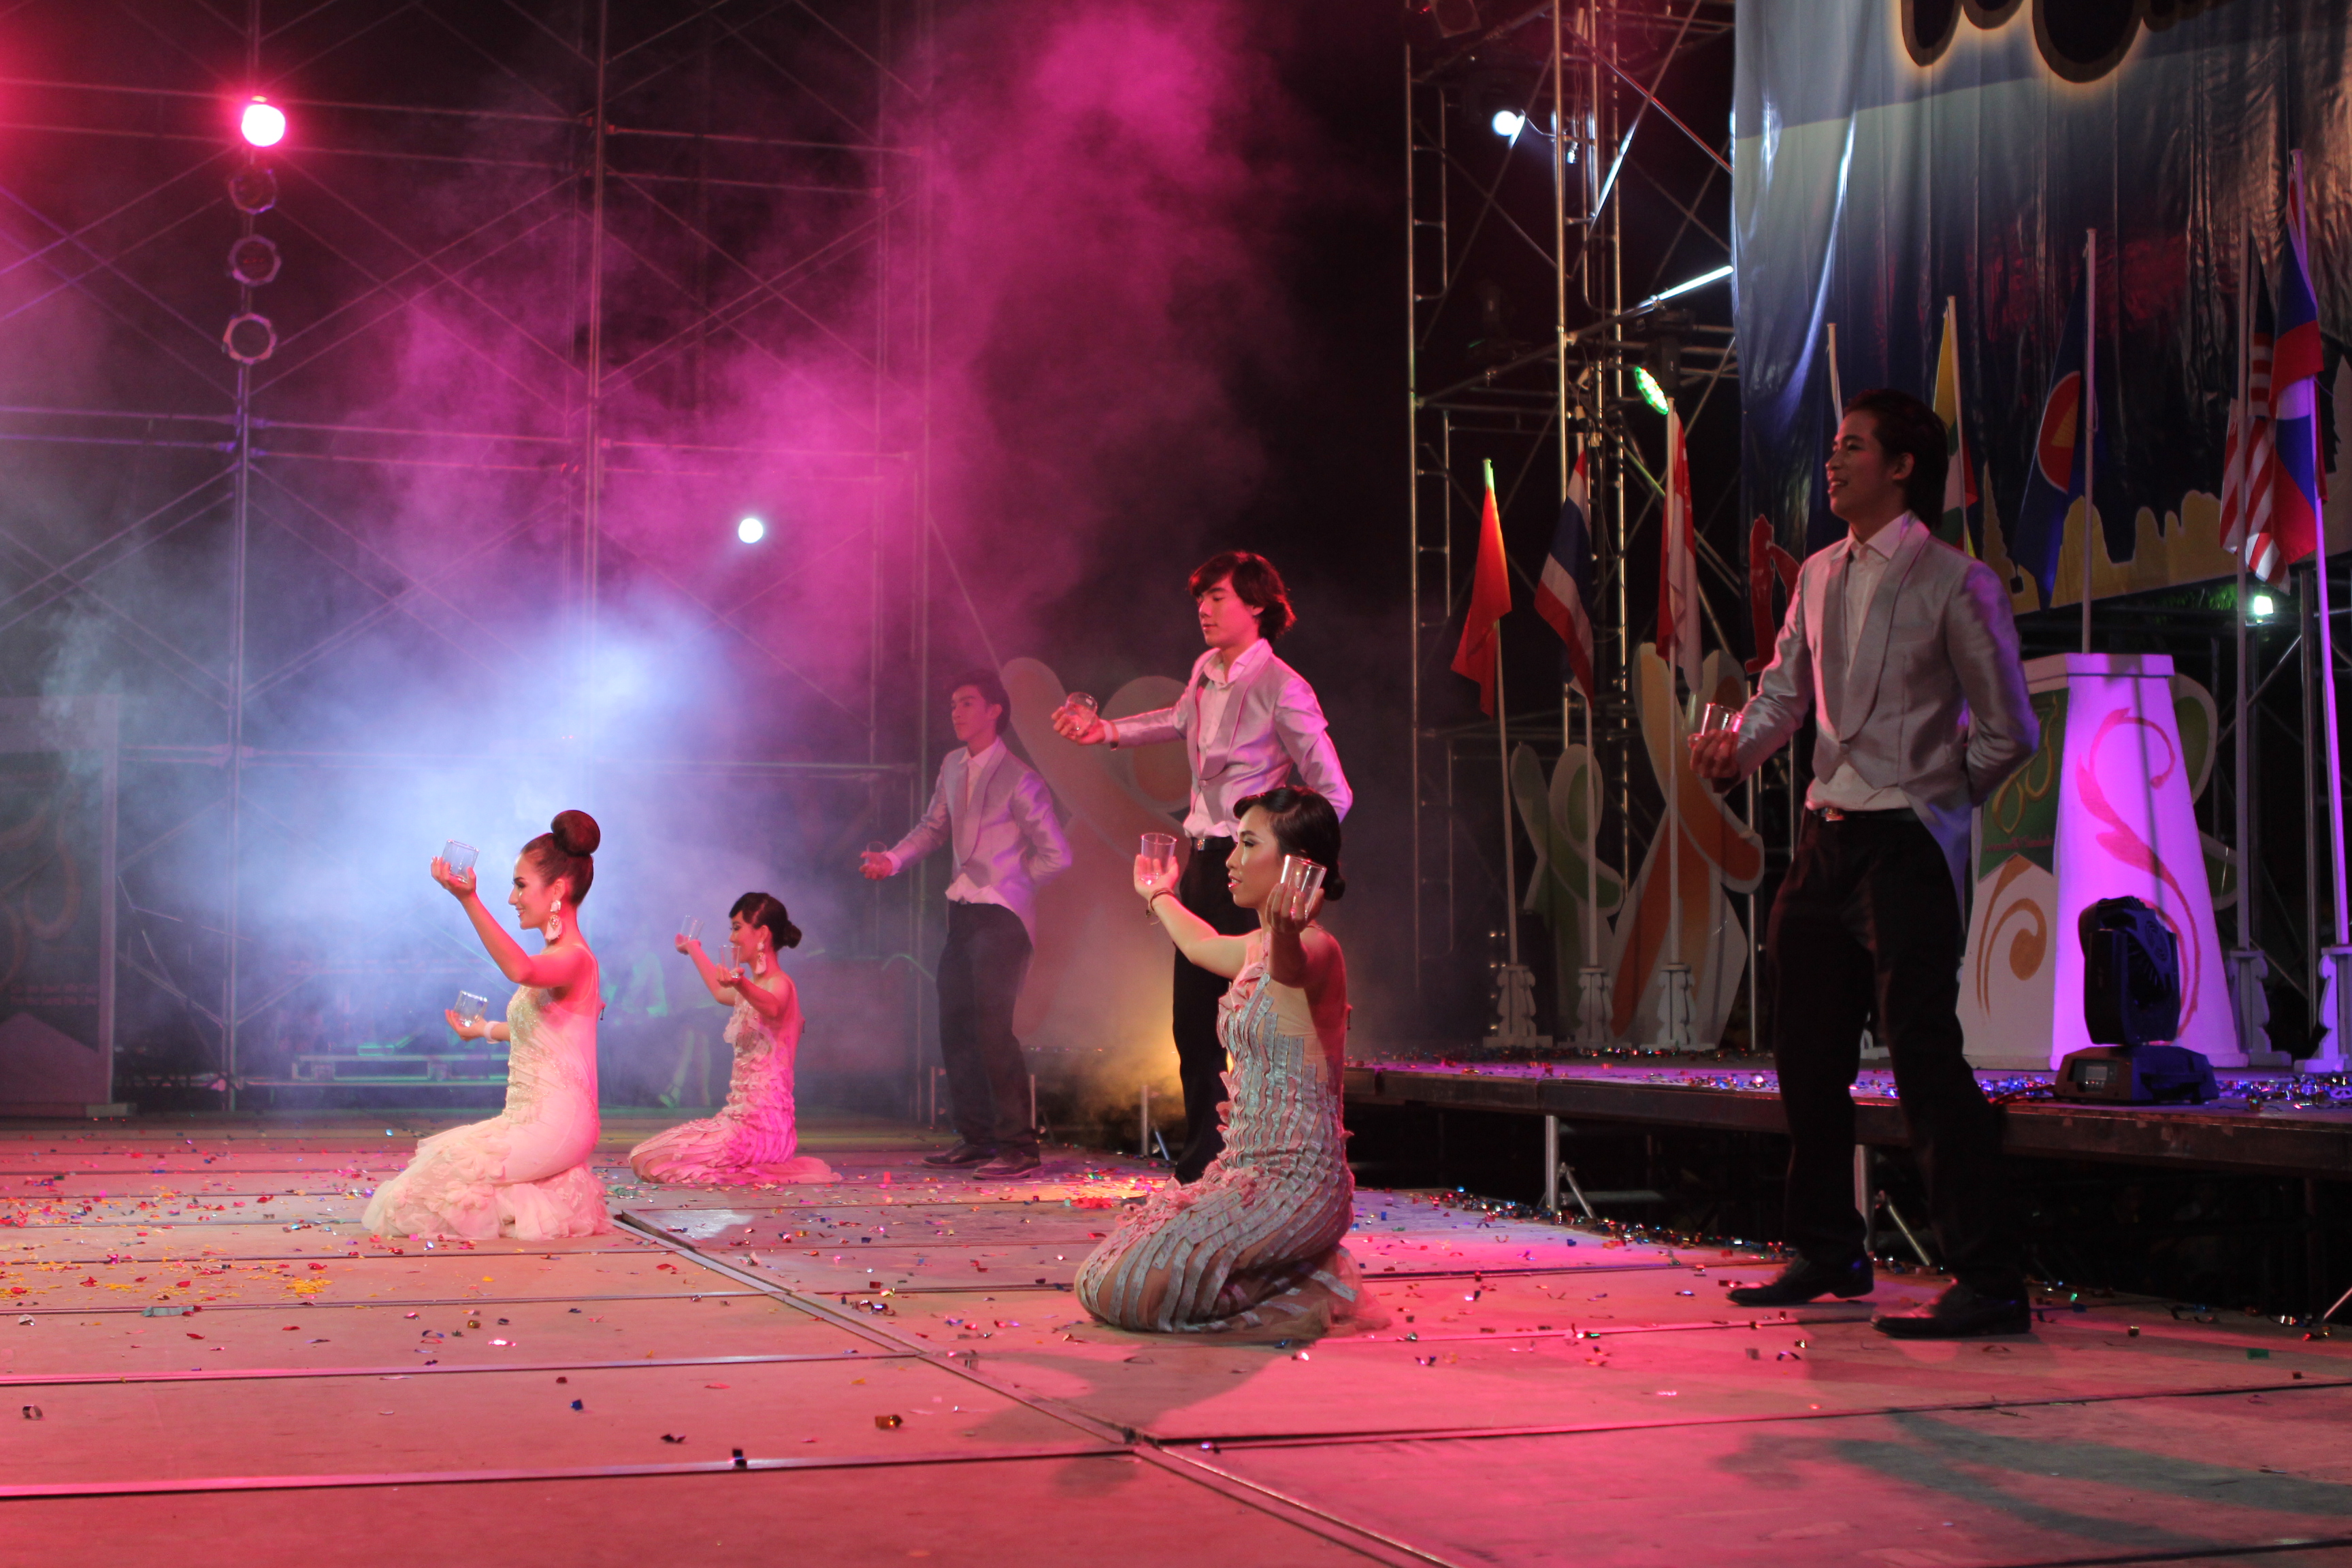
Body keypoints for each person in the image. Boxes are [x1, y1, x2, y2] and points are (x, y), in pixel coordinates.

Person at [1692, 389, 2040, 1339]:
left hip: (1905, 841)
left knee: (1922, 1052)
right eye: (1834, 447)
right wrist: (1737, 752)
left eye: (1853, 447)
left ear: (1902, 467)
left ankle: (1989, 1277)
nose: (1834, 462)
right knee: (1806, 1050)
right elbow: (1782, 695)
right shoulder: (1816, 573)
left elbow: (2010, 728)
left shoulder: (1957, 580)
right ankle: (1829, 1248)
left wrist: (1938, 797)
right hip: (1826, 834)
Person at [1054, 552, 1351, 1183]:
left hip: (1253, 867)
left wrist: (1298, 872)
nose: (1204, 609)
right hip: (1203, 861)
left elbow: (1334, 791)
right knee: (1193, 1023)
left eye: (1218, 597)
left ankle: (1257, 1160)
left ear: (1257, 605)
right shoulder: (1204, 671)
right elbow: (1175, 719)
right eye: (1200, 599)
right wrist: (1105, 731)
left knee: (1253, 1019)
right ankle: (1202, 1165)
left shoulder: (1284, 686)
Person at [1076, 785, 1383, 1336]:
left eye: (1248, 844)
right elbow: (1201, 945)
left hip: (1298, 1185)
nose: (1232, 860)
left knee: (1129, 1291)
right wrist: (1158, 893)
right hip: (1242, 1175)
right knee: (1097, 1277)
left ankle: (1304, 1283)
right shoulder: (1255, 945)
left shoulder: (1315, 949)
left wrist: (1285, 932)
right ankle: (1290, 1273)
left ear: (1295, 866)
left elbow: (1290, 967)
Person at [364, 811, 612, 1240]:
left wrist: (468, 899)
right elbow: (538, 1033)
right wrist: (481, 1030)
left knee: (421, 1198)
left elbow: (520, 970)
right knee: (422, 1182)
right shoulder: (555, 958)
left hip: (558, 1123)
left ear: (557, 890)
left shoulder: (575, 959)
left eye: (520, 885)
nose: (513, 899)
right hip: (525, 1118)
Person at [865, 670, 1071, 1178]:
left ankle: (1019, 1146)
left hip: (1001, 916)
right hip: (962, 911)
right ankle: (977, 1138)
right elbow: (933, 827)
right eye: (954, 704)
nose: (956, 712)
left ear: (994, 710)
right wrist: (892, 860)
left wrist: (1012, 885)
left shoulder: (1020, 777)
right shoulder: (953, 765)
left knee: (992, 1030)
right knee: (955, 1024)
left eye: (967, 703)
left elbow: (1057, 854)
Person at [628, 893, 834, 1186]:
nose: (731, 938)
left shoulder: (780, 984)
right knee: (643, 1157)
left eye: (737, 928)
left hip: (763, 1131)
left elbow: (772, 1006)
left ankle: (742, 1172)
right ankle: (737, 1170)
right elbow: (718, 991)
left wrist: (741, 983)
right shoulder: (755, 987)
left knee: (650, 1162)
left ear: (762, 933)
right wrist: (693, 948)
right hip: (739, 1124)